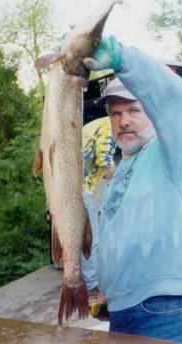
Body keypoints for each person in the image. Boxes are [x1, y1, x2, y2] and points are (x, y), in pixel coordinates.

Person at [82, 36, 182, 343]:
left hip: (168, 310)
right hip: (122, 311)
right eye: (115, 113)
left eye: (134, 110)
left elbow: (179, 100)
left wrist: (123, 58)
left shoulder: (174, 153)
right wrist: (105, 289)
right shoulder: (123, 165)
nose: (123, 121)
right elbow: (114, 234)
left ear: (153, 111)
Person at [81, 116, 116, 291]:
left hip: (78, 187)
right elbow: (104, 162)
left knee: (88, 236)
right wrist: (124, 181)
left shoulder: (100, 124)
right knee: (90, 237)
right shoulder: (109, 127)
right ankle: (92, 283)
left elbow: (97, 166)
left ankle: (91, 278)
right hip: (80, 190)